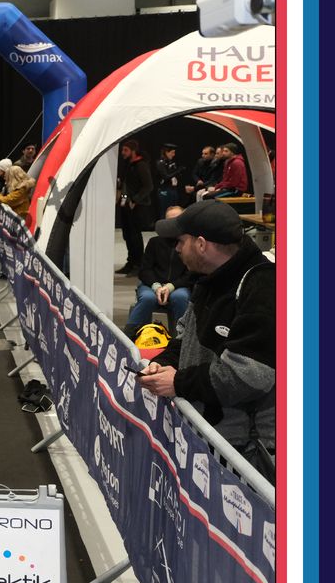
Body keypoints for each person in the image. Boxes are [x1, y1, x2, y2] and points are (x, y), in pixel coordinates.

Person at [137, 201, 275, 475]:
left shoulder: (263, 288)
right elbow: (184, 336)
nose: (176, 249)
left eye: (180, 241)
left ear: (201, 244)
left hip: (243, 457)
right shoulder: (208, 279)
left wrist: (178, 382)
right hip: (208, 437)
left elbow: (248, 376)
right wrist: (162, 364)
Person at [123, 206, 198, 337]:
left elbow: (191, 274)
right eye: (169, 220)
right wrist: (156, 286)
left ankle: (183, 338)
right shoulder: (154, 242)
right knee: (147, 298)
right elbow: (144, 270)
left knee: (180, 297)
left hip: (179, 286)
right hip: (152, 285)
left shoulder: (189, 245)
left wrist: (171, 286)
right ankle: (129, 336)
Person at [116, 138, 154, 275]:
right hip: (125, 204)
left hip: (137, 206)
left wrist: (135, 200)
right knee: (127, 234)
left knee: (135, 235)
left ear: (133, 151)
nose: (123, 152)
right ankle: (131, 262)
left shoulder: (141, 165)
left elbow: (148, 186)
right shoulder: (128, 164)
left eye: (125, 150)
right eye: (122, 150)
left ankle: (138, 265)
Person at [153, 143, 187, 219]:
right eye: (172, 152)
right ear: (166, 152)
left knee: (174, 210)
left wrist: (179, 172)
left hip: (173, 188)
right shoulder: (160, 163)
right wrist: (178, 171)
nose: (173, 155)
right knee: (165, 211)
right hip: (164, 189)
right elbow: (165, 177)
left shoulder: (171, 162)